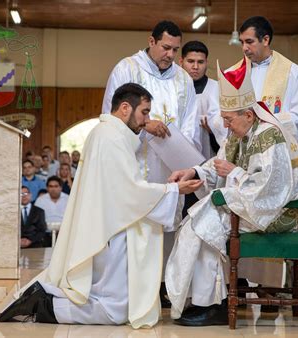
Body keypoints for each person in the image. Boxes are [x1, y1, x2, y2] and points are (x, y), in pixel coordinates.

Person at [0, 83, 202, 327]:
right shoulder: (111, 138)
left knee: (109, 301)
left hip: (108, 224)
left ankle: (44, 298)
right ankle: (44, 305)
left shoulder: (107, 134)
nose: (146, 119)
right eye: (144, 112)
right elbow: (129, 191)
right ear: (125, 108)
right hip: (112, 231)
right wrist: (172, 189)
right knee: (115, 310)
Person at [164, 58, 298, 326]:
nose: (226, 126)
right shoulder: (239, 132)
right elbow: (218, 163)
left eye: (229, 120)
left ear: (248, 115)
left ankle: (214, 306)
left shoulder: (270, 136)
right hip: (253, 202)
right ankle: (203, 300)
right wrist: (194, 172)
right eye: (223, 119)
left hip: (279, 210)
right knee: (197, 221)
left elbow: (271, 188)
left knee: (205, 225)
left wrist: (234, 172)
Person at [101, 21, 199, 300]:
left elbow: (190, 124)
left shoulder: (182, 79)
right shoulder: (127, 68)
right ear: (152, 41)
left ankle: (161, 286)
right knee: (134, 225)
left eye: (175, 49)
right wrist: (144, 124)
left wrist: (182, 154)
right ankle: (129, 286)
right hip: (135, 164)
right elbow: (111, 117)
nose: (170, 54)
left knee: (167, 226)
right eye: (166, 47)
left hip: (169, 168)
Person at [239, 16, 298, 144]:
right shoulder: (234, 73)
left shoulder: (293, 73)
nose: (244, 48)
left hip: (277, 146)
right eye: (242, 42)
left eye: (249, 42)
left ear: (265, 40)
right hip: (242, 144)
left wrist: (260, 124)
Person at [179, 40, 227, 159]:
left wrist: (213, 131)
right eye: (190, 61)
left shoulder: (217, 88)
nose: (195, 67)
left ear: (206, 63)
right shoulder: (173, 90)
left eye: (200, 62)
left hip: (210, 155)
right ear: (181, 62)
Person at [35, 176, 69, 245]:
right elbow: (36, 219)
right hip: (45, 233)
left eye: (56, 186)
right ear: (47, 188)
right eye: (51, 186)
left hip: (65, 233)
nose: (53, 189)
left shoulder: (68, 199)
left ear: (61, 187)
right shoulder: (40, 200)